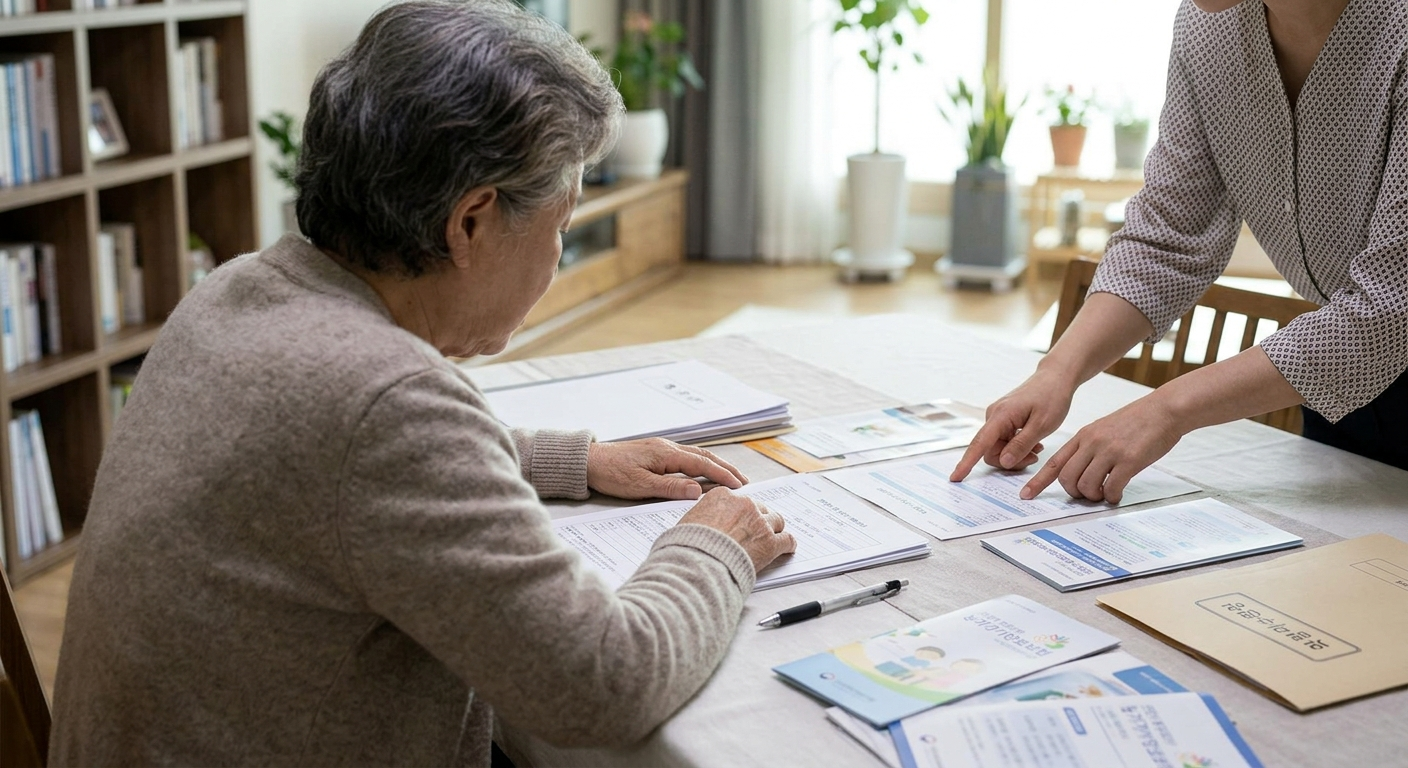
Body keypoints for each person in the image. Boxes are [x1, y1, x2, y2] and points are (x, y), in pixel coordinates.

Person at [48, 2, 796, 766]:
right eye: (561, 224)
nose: (558, 252)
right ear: (470, 222)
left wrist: (573, 461)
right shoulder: (386, 404)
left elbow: (332, 460)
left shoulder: (239, 290)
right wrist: (713, 544)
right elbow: (602, 683)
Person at [953, 0, 1408, 501]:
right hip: (1341, 386)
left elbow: (1389, 310)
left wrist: (1166, 410)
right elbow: (1168, 236)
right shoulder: (1206, 28)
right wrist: (1056, 372)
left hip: (1359, 351)